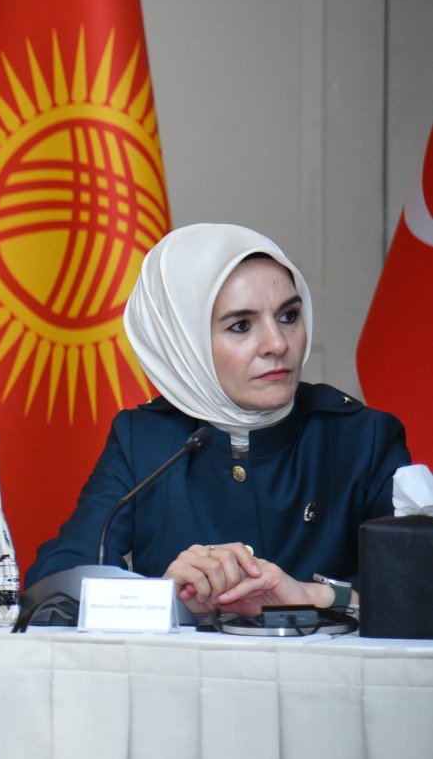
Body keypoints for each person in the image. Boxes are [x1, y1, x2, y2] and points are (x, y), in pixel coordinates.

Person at [26, 222, 410, 616]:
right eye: (241, 326)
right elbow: (53, 586)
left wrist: (314, 595)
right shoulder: (143, 439)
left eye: (289, 316)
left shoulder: (361, 435)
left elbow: (420, 585)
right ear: (182, 341)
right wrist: (167, 599)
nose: (277, 344)